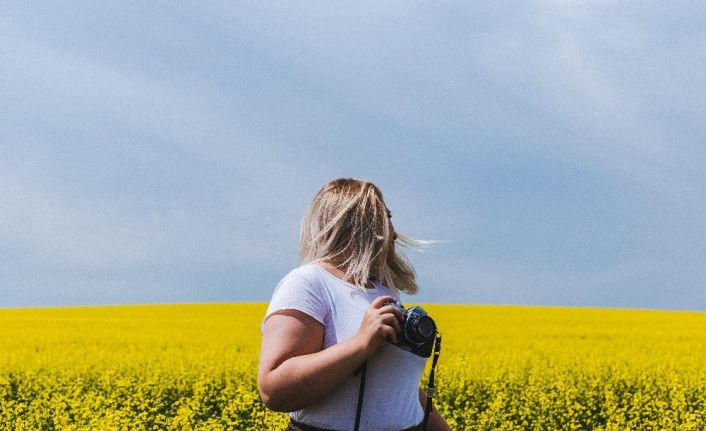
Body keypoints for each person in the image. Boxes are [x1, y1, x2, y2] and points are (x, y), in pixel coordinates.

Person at [258, 178, 451, 431]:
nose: (394, 233)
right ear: (362, 222)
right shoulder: (309, 283)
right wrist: (360, 344)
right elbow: (274, 391)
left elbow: (401, 392)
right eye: (387, 217)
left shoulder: (383, 291)